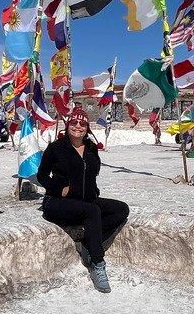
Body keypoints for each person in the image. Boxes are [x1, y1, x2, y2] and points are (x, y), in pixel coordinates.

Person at [37, 107, 130, 293]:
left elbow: (92, 174)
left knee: (121, 209)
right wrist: (59, 189)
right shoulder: (56, 147)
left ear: (87, 127)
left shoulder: (91, 148)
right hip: (57, 203)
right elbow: (41, 176)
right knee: (93, 211)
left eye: (82, 123)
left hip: (86, 201)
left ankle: (89, 243)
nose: (78, 126)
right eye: (74, 122)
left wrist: (92, 191)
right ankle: (97, 262)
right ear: (67, 125)